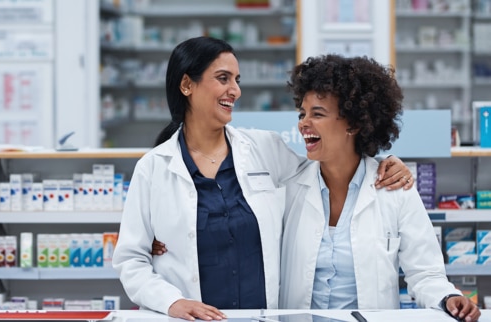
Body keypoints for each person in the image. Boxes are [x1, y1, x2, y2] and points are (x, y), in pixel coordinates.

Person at [112, 36, 414, 321]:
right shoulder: (153, 168)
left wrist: (380, 163)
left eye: (237, 80)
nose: (235, 90)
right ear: (187, 85)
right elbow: (130, 260)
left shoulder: (264, 148)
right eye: (223, 78)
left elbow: (329, 168)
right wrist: (172, 302)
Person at [279, 54, 480, 322]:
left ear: (354, 124)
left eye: (318, 113)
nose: (303, 123)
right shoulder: (289, 186)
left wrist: (447, 298)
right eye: (302, 113)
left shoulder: (395, 189)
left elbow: (425, 272)